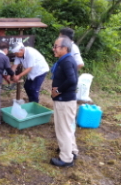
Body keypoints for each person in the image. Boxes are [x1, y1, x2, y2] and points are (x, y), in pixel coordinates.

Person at [50, 36, 79, 167]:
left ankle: (66, 158)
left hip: (64, 100)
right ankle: (71, 150)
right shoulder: (66, 59)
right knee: (67, 127)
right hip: (67, 100)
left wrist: (58, 91)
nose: (53, 49)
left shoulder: (66, 61)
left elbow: (72, 80)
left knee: (63, 129)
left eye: (56, 46)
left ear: (64, 48)